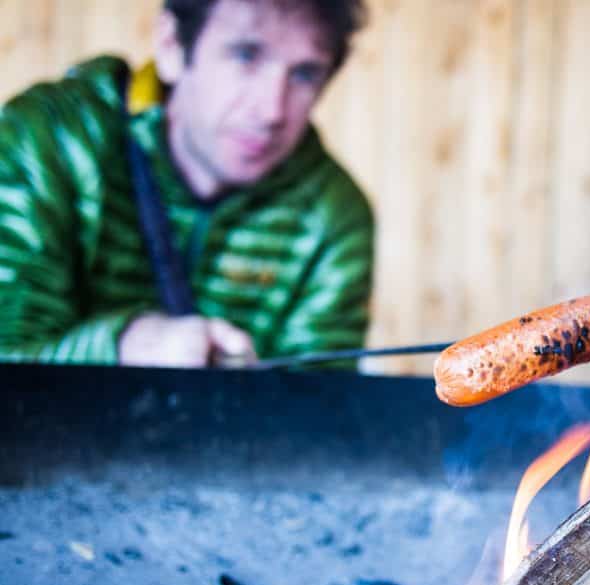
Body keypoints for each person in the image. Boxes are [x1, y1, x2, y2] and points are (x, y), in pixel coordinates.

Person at [0, 0, 373, 367]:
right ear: (171, 46)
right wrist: (126, 345)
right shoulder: (43, 144)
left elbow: (320, 405)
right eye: (246, 56)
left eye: (305, 74)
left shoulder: (334, 215)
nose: (272, 110)